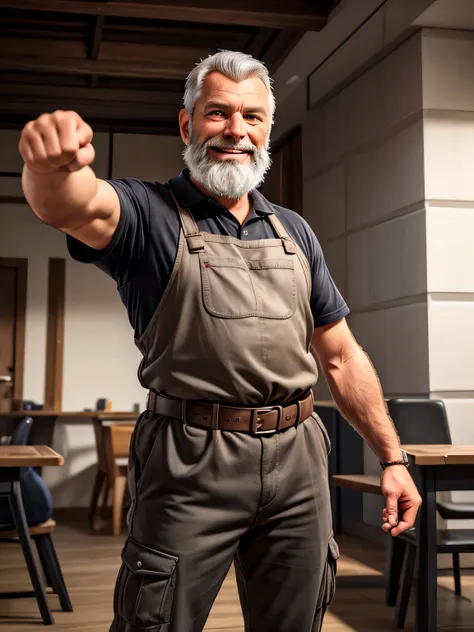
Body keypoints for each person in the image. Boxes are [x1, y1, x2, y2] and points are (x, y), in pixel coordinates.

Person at [19, 50, 421, 632]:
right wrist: (51, 168)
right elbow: (72, 203)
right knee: (154, 621)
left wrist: (393, 457)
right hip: (189, 461)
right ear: (188, 124)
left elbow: (340, 355)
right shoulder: (147, 214)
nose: (236, 131)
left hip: (300, 462)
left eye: (252, 117)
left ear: (267, 130)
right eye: (218, 113)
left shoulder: (295, 231)